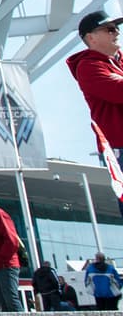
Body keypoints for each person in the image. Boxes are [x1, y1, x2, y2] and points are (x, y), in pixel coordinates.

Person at [68, 11, 123, 213]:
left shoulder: (118, 63)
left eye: (116, 27)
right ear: (91, 37)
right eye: (109, 28)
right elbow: (119, 91)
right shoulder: (88, 66)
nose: (116, 32)